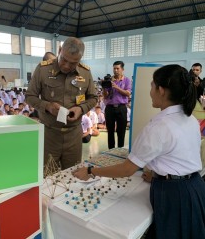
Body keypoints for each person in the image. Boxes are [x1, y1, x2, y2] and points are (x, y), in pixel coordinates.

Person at [73, 64, 205, 239]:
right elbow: (180, 157)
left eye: (152, 86)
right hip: (194, 187)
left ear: (161, 90)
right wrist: (160, 176)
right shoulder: (190, 119)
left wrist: (90, 171)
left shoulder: (159, 126)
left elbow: (127, 170)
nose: (150, 91)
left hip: (175, 196)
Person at [26, 37, 97, 169]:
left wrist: (81, 109)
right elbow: (29, 96)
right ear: (59, 50)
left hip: (74, 136)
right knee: (47, 176)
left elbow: (93, 98)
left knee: (72, 175)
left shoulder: (85, 73)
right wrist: (47, 106)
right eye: (64, 59)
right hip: (49, 135)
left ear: (80, 60)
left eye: (73, 63)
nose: (66, 66)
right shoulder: (43, 70)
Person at [103, 61, 131, 149]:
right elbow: (106, 96)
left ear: (122, 69)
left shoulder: (127, 80)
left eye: (117, 68)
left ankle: (120, 150)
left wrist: (116, 87)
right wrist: (104, 88)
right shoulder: (109, 80)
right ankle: (110, 151)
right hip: (109, 108)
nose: (115, 70)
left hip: (121, 108)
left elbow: (127, 93)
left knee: (121, 131)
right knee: (110, 131)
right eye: (114, 68)